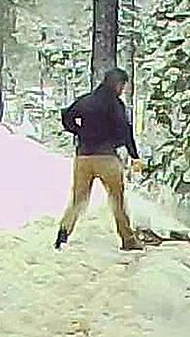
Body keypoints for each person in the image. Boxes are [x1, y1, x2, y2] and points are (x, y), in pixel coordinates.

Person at [55, 67, 143, 251]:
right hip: (107, 158)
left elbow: (66, 115)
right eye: (122, 85)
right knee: (116, 198)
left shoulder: (86, 100)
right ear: (117, 83)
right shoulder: (115, 104)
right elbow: (125, 130)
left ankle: (63, 233)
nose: (123, 89)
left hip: (83, 157)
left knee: (78, 199)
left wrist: (77, 131)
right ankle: (128, 239)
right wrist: (134, 156)